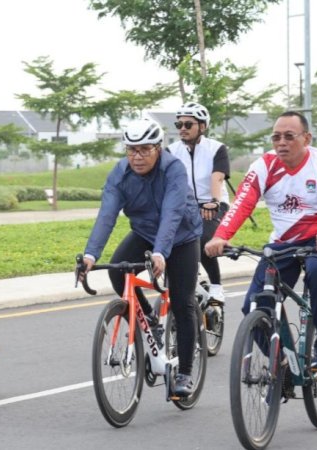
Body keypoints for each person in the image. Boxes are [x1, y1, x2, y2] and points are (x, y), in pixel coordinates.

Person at [205, 111, 317, 369]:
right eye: (276, 137)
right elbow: (243, 204)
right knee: (253, 306)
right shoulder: (263, 166)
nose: (281, 142)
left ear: (306, 138)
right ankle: (283, 362)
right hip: (283, 245)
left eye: (289, 137)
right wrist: (220, 235)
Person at [79, 118, 203, 396]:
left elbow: (172, 213)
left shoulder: (173, 169)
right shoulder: (120, 174)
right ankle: (150, 318)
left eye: (145, 149)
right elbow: (106, 216)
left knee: (182, 302)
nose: (137, 156)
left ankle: (184, 372)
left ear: (158, 148)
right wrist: (90, 254)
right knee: (117, 270)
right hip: (145, 233)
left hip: (182, 236)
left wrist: (161, 252)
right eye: (131, 150)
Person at [167, 102, 230, 304]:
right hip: (184, 206)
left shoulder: (216, 149)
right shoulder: (171, 151)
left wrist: (213, 201)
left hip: (212, 203)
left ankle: (217, 286)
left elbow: (217, 178)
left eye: (188, 124)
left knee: (202, 238)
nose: (182, 129)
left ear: (202, 126)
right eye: (179, 125)